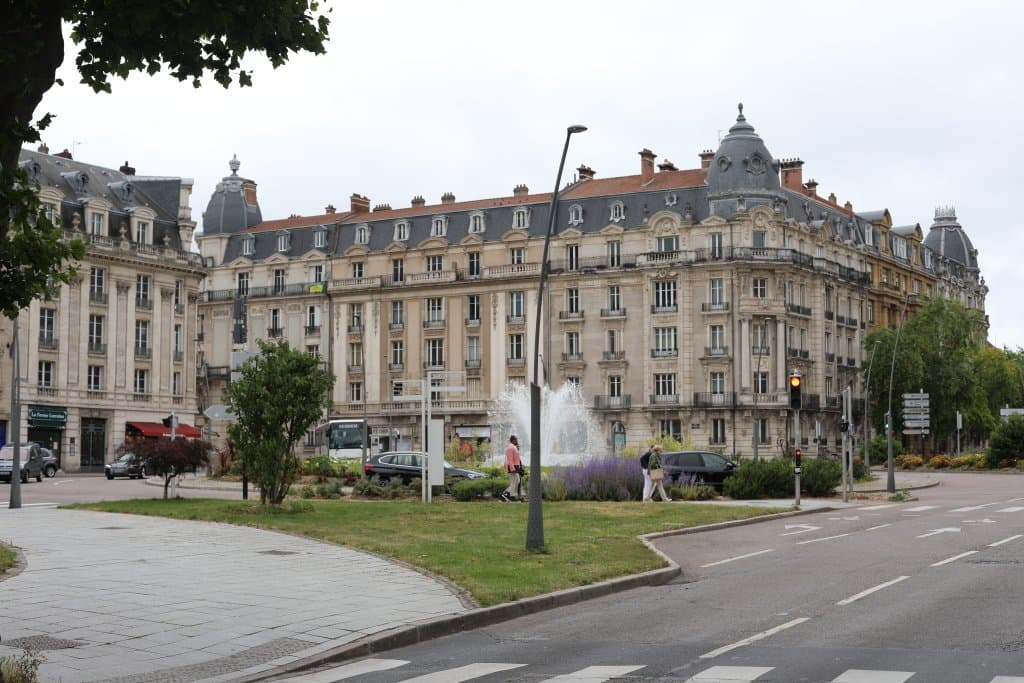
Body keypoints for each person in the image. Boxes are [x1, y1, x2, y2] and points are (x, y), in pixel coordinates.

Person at [501, 434, 522, 502]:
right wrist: (512, 469)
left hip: (515, 466)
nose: (517, 441)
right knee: (514, 481)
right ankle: (511, 496)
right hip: (512, 467)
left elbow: (516, 457)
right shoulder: (510, 447)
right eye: (516, 439)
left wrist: (517, 448)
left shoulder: (513, 447)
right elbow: (510, 459)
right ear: (513, 440)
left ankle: (506, 493)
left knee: (517, 480)